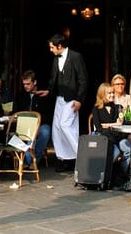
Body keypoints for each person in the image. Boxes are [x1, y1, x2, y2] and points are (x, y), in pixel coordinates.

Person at [47, 33, 88, 172]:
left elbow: (83, 80)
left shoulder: (76, 57)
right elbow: (54, 79)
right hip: (59, 98)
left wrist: (79, 99)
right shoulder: (55, 59)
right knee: (57, 129)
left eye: (52, 47)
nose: (51, 50)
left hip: (71, 99)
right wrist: (48, 91)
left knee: (66, 126)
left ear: (59, 46)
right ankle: (63, 158)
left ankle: (80, 156)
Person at [12, 69, 55, 167]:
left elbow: (49, 114)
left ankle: (32, 161)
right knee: (27, 135)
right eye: (24, 84)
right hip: (25, 125)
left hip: (41, 124)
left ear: (34, 82)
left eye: (28, 84)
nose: (25, 86)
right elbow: (16, 111)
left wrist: (37, 122)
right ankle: (31, 161)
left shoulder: (43, 95)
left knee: (45, 132)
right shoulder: (21, 95)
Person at [91, 83, 130, 181]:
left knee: (129, 150)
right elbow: (99, 128)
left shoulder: (118, 107)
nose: (112, 95)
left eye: (113, 93)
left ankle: (121, 177)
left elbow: (125, 124)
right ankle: (108, 178)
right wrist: (114, 125)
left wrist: (108, 125)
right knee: (116, 154)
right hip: (105, 138)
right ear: (102, 95)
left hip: (117, 137)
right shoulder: (96, 109)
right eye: (109, 93)